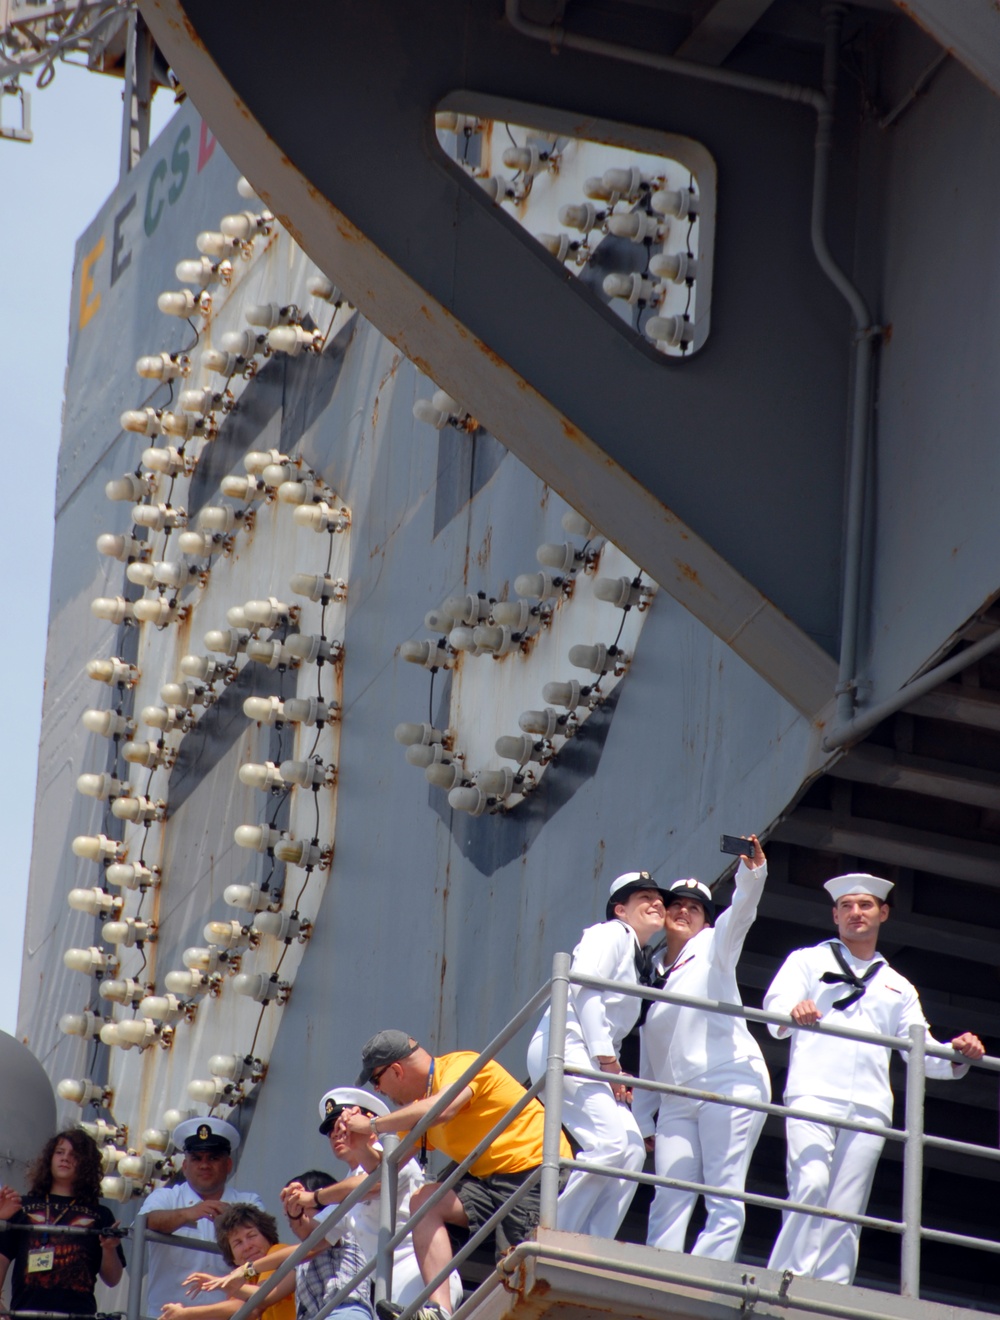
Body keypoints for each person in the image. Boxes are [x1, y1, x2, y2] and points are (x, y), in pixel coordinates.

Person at [764, 872, 985, 1284]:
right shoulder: (806, 961)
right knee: (810, 1184)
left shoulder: (898, 986)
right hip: (813, 1092)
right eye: (846, 906)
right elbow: (775, 1007)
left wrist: (959, 1055)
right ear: (835, 916)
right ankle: (786, 1279)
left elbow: (920, 1052)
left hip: (869, 1104)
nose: (856, 913)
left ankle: (831, 1291)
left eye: (865, 905)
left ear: (883, 913)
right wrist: (793, 1011)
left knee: (847, 1207)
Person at [342, 1031, 572, 1320]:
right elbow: (386, 1168)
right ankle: (439, 1311)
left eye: (376, 1080)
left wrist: (373, 1125)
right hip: (490, 1183)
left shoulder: (459, 1065)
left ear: (396, 1070)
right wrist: (359, 1145)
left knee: (518, 1279)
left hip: (532, 1173)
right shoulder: (421, 1106)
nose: (378, 1090)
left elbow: (444, 1108)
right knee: (424, 1202)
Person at [633, 835, 770, 1260]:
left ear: (706, 922)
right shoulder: (652, 973)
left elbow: (740, 915)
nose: (683, 911)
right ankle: (658, 1276)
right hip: (676, 1098)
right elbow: (651, 1051)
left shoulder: (714, 947)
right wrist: (643, 1117)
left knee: (722, 1191)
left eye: (694, 908)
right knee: (669, 1194)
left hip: (728, 1082)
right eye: (676, 904)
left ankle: (707, 1277)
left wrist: (752, 873)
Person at [526, 871, 668, 1238]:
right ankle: (557, 1232)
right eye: (644, 898)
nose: (656, 903)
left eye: (659, 899)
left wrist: (611, 1067)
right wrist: (608, 1062)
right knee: (608, 1145)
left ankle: (593, 1240)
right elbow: (584, 988)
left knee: (632, 1151)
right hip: (566, 1046)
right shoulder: (610, 933)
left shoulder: (638, 956)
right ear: (620, 910)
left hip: (593, 1056)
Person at [283, 1088, 462, 1308]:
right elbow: (317, 1238)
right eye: (330, 1130)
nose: (336, 1134)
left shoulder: (395, 1155)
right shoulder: (344, 1185)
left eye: (342, 1125)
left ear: (367, 1123)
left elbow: (374, 1184)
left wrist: (315, 1197)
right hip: (389, 1289)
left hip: (421, 1275)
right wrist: (295, 1209)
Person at [183, 1173, 371, 1320]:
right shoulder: (299, 1264)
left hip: (344, 1311)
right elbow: (266, 1296)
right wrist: (224, 1284)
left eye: (300, 1209)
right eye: (290, 1216)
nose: (294, 1220)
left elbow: (305, 1249)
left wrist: (246, 1270)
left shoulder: (338, 1228)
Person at [140, 1117, 263, 1317]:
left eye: (213, 1158)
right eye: (196, 1158)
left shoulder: (248, 1202)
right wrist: (186, 1213)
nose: (204, 1165)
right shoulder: (165, 1198)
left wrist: (233, 1219)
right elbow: (146, 1222)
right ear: (185, 1166)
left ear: (228, 1165)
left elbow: (264, 1251)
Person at [0, 1129, 125, 1316]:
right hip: (25, 1315)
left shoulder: (101, 1214)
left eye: (74, 1155)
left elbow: (113, 1279)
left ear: (86, 1164)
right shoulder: (21, 1206)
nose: (65, 1158)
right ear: (49, 1158)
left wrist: (109, 1248)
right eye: (59, 1152)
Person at [159, 1204, 294, 1320]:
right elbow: (238, 1307)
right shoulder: (246, 1277)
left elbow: (259, 1300)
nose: (247, 1246)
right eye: (238, 1243)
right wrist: (183, 1314)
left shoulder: (277, 1251)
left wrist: (220, 1284)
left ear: (268, 1237)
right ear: (233, 1257)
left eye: (252, 1236)